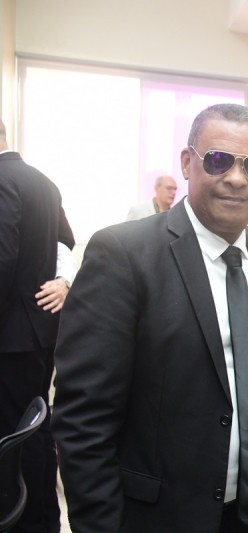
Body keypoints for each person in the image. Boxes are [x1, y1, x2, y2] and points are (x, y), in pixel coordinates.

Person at [52, 103, 248, 532]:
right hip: (157, 518)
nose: (237, 178)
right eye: (219, 160)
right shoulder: (124, 255)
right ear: (187, 163)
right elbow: (83, 421)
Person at [0, 119, 75, 533]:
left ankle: (23, 520)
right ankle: (45, 518)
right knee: (36, 428)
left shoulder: (2, 179)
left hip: (9, 338)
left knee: (15, 435)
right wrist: (62, 280)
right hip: (41, 332)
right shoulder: (43, 182)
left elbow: (2, 260)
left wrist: (64, 282)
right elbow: (66, 240)